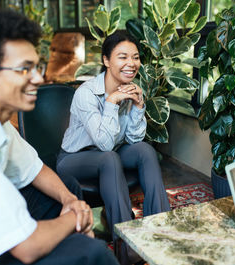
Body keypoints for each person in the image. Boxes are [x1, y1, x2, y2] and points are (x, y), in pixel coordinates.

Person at [0, 8, 119, 265]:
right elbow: (26, 248)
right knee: (92, 253)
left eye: (36, 66)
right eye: (25, 69)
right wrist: (75, 217)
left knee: (67, 186)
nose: (38, 78)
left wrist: (71, 201)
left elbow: (34, 169)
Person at [56, 32, 171, 264]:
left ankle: (159, 229)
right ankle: (125, 244)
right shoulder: (86, 93)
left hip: (110, 152)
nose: (131, 63)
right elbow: (104, 143)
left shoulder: (130, 89)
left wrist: (138, 107)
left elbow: (134, 138)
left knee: (146, 151)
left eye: (136, 57)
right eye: (122, 57)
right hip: (75, 159)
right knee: (109, 157)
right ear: (107, 60)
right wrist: (111, 102)